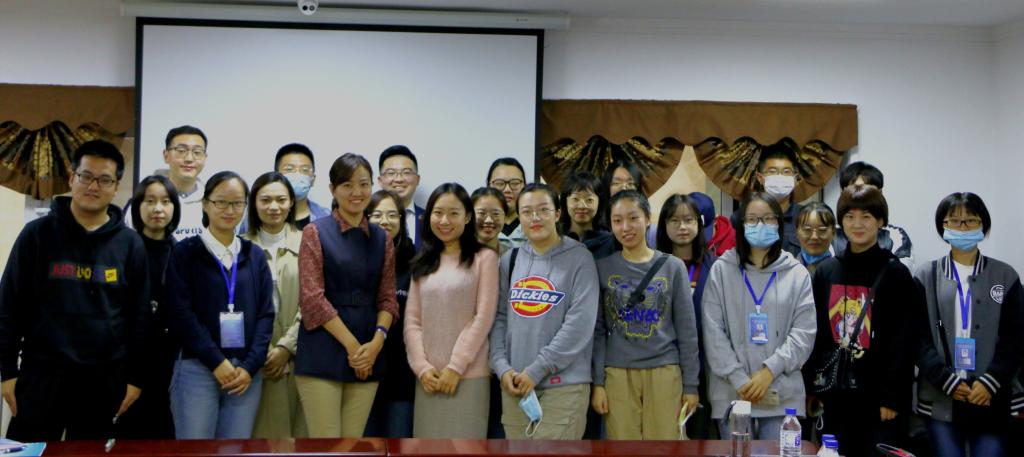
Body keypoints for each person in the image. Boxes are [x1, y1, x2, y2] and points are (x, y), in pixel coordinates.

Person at [0, 140, 150, 442]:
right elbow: (9, 304)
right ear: (71, 178)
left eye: (104, 180)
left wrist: (135, 378)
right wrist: (6, 371)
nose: (93, 186)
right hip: (42, 373)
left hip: (104, 378)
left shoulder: (130, 245)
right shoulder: (37, 235)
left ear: (116, 187)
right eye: (86, 176)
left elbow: (140, 317)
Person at [805, 185, 919, 457]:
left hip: (879, 400)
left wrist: (892, 397)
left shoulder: (896, 274)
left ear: (880, 222)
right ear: (841, 222)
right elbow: (816, 334)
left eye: (866, 216)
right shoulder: (827, 272)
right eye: (850, 216)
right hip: (834, 395)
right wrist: (812, 387)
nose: (857, 224)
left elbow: (904, 342)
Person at [165, 171, 275, 439]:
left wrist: (250, 366)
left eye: (237, 203)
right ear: (205, 204)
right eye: (221, 202)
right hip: (197, 368)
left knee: (234, 451)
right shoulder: (185, 252)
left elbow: (266, 315)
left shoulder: (254, 255)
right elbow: (181, 314)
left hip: (245, 374)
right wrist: (216, 361)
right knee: (196, 451)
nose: (230, 210)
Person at [296, 153, 399, 438]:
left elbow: (388, 297)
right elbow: (313, 299)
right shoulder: (315, 232)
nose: (357, 192)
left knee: (352, 446)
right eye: (347, 185)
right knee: (327, 445)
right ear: (332, 189)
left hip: (369, 349)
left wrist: (376, 343)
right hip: (323, 348)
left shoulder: (382, 238)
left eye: (364, 184)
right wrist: (354, 347)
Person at [915, 192, 1024, 457]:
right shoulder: (926, 275)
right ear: (943, 226)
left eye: (971, 220)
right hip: (942, 396)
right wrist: (946, 381)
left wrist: (990, 381)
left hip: (991, 396)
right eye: (955, 221)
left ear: (983, 225)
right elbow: (918, 338)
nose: (963, 227)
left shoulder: (1005, 275)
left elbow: (1016, 337)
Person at [489, 183, 599, 440]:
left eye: (543, 210)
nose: (535, 218)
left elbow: (580, 324)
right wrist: (502, 368)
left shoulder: (580, 258)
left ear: (557, 214)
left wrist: (537, 370)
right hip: (516, 387)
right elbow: (499, 319)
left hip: (564, 387)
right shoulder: (510, 260)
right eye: (527, 212)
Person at [702, 192, 816, 440]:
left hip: (782, 396)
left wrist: (769, 371)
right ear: (741, 224)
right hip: (732, 394)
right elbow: (713, 332)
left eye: (768, 218)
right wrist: (739, 379)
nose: (760, 225)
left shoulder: (797, 274)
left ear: (779, 223)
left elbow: (804, 334)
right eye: (752, 219)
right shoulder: (721, 270)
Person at [591, 190, 700, 440]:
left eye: (633, 218)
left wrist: (691, 385)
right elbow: (597, 331)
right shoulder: (602, 268)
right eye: (617, 220)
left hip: (665, 371)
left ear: (648, 218)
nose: (625, 227)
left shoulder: (673, 267)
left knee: (667, 448)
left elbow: (687, 332)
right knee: (622, 449)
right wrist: (598, 383)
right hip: (617, 373)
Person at [404, 183, 498, 438]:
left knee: (466, 450)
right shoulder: (423, 261)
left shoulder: (484, 258)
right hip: (428, 380)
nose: (444, 220)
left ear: (468, 217)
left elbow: (483, 318)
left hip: (468, 377)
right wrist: (422, 368)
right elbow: (412, 321)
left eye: (454, 213)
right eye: (438, 213)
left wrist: (455, 367)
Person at [243, 172, 307, 439]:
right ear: (253, 203)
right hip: (253, 357)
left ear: (291, 202)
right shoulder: (240, 247)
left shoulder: (309, 242)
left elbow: (314, 301)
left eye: (281, 200)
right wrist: (265, 349)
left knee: (300, 439)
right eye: (265, 200)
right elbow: (237, 304)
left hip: (301, 353)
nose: (273, 207)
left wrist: (285, 347)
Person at [118, 175, 181, 439]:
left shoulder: (182, 253)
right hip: (126, 358)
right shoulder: (123, 249)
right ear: (137, 206)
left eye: (166, 202)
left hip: (168, 360)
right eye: (150, 201)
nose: (158, 209)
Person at [655, 192, 718, 438]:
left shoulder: (714, 266)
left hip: (705, 366)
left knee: (699, 439)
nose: (682, 227)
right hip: (663, 364)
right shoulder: (654, 266)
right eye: (674, 220)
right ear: (664, 225)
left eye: (689, 220)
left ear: (699, 224)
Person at [364, 190, 417, 438]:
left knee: (399, 444)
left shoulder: (416, 260)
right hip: (362, 367)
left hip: (401, 372)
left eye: (392, 215)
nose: (385, 221)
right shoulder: (353, 257)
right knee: (363, 447)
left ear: (402, 220)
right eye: (377, 215)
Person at [127, 125, 208, 240]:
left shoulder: (212, 202)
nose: (189, 158)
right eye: (181, 151)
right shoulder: (143, 201)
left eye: (197, 152)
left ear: (205, 158)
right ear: (166, 156)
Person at [832, 162, 914, 269]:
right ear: (842, 193)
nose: (860, 196)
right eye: (855, 189)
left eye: (867, 190)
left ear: (880, 194)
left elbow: (900, 272)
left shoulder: (896, 236)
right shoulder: (830, 234)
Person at [731, 141, 803, 257]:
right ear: (760, 178)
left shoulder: (804, 217)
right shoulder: (741, 217)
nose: (780, 177)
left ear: (795, 177)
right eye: (772, 171)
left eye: (786, 172)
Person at [559, 171, 615, 260]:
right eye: (575, 199)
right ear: (565, 201)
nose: (582, 206)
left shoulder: (610, 242)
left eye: (589, 200)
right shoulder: (555, 239)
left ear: (599, 203)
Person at [378, 145, 425, 248]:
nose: (399, 179)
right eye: (391, 173)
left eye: (406, 172)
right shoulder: (366, 219)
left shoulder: (430, 220)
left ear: (417, 179)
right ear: (380, 181)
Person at [487, 157, 528, 251]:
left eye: (515, 183)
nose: (507, 190)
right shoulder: (476, 228)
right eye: (499, 183)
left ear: (525, 186)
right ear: (488, 186)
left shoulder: (534, 225)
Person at [795, 202, 836, 274]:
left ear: (833, 232)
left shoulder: (845, 269)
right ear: (797, 232)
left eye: (822, 230)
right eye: (807, 230)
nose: (814, 237)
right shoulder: (788, 269)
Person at [471, 187, 507, 255]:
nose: (488, 221)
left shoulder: (512, 255)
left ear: (504, 217)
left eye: (495, 214)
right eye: (481, 213)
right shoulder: (459, 254)